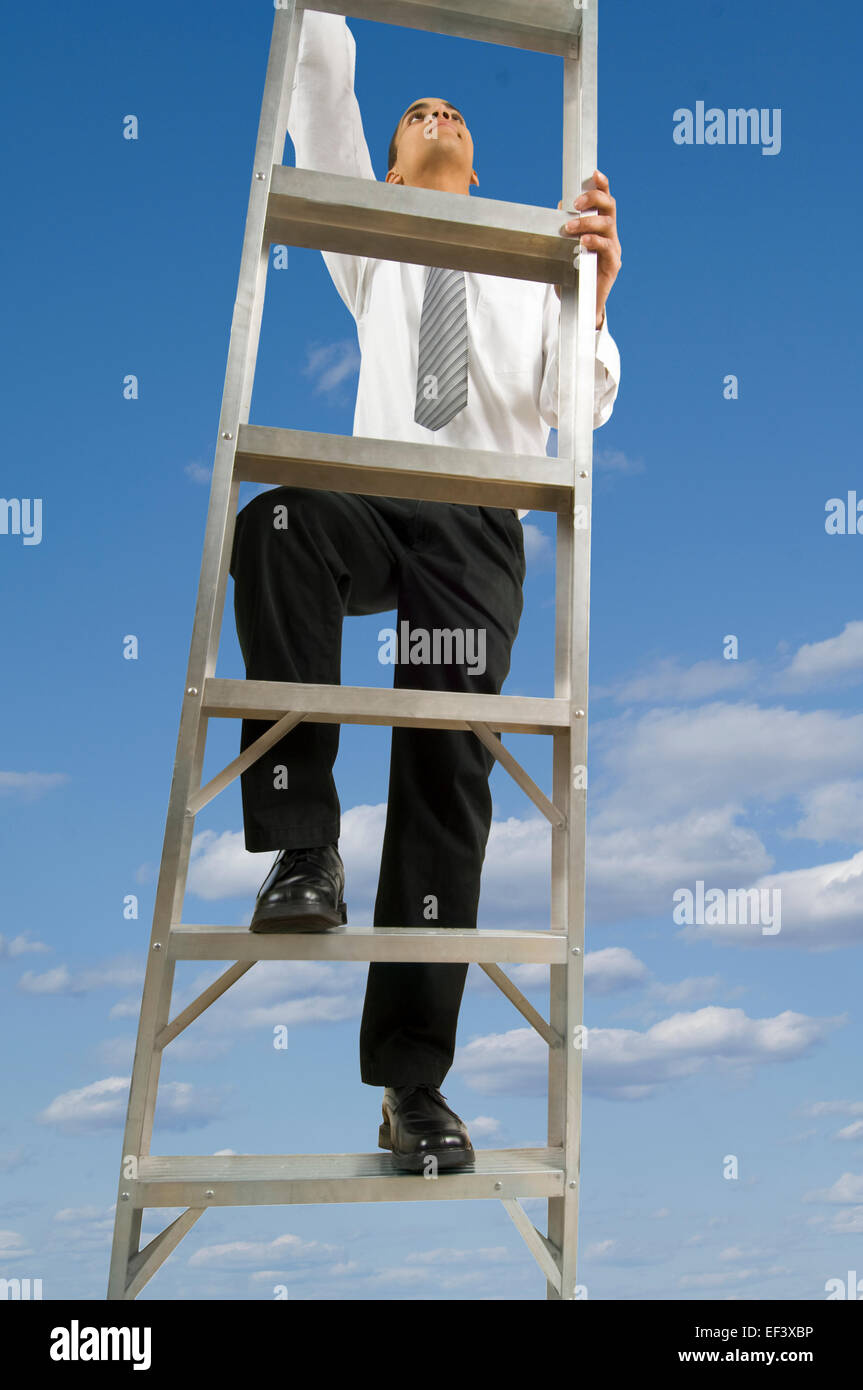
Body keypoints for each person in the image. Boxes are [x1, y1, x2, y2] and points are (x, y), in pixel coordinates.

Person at [228, 11, 622, 1173]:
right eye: (414, 116)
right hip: (377, 502)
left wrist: (593, 286)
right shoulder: (373, 239)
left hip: (471, 529)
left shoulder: (523, 257)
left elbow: (576, 403)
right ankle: (304, 849)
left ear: (481, 168)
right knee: (280, 523)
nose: (436, 109)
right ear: (391, 169)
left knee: (442, 764)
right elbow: (320, 82)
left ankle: (411, 1087)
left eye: (453, 111)